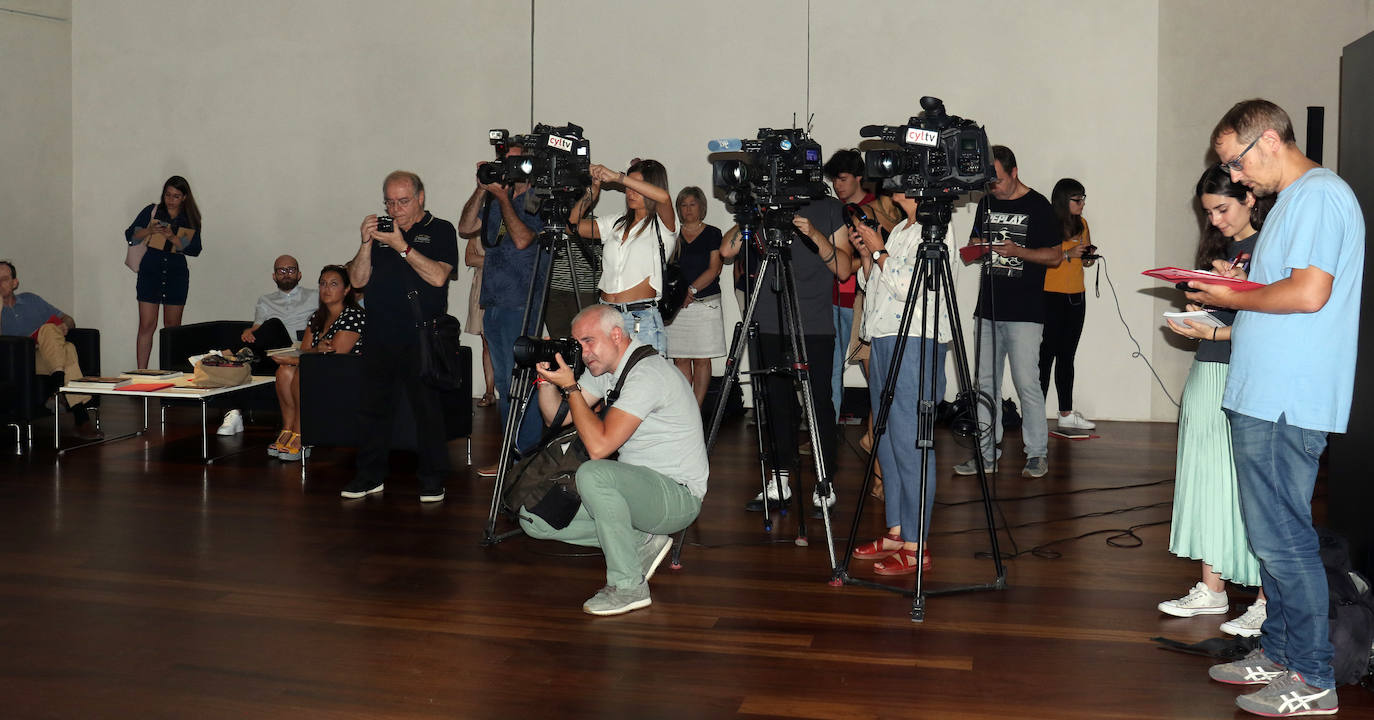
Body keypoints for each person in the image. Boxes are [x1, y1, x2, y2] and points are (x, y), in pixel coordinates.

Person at [1187, 99, 1363, 718]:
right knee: (1271, 537)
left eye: (1235, 162)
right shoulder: (1292, 202)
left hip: (1288, 397)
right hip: (1264, 392)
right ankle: (1283, 652)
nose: (1234, 177)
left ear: (1267, 140)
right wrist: (1231, 291)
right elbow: (1282, 292)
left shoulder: (1318, 195)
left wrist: (1235, 293)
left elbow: (1310, 293)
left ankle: (1313, 678)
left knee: (1284, 540)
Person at [520, 304, 708, 616]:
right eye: (577, 344)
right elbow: (556, 417)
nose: (583, 352)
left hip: (677, 497)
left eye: (589, 341)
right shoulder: (608, 371)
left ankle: (629, 586)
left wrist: (570, 387)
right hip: (637, 492)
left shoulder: (647, 375)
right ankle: (641, 540)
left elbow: (599, 447)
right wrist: (546, 381)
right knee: (534, 518)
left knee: (594, 473)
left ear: (617, 335)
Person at [1160, 166, 1269, 636]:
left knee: (1251, 489)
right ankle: (1212, 588)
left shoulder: (1270, 245)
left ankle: (1268, 598)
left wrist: (1221, 316)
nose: (1216, 221)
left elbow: (1271, 324)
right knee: (1205, 475)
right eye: (1208, 213)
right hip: (1208, 369)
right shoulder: (1222, 250)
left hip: (1245, 374)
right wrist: (1197, 311)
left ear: (1249, 197)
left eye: (1222, 209)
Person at [720, 195, 850, 515]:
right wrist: (755, 212)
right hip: (768, 320)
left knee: (818, 403)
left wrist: (815, 234)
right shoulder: (764, 206)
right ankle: (779, 481)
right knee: (775, 403)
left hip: (815, 324)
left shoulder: (829, 207)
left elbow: (845, 270)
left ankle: (824, 480)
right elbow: (726, 250)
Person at [341, 170, 458, 502]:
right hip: (379, 332)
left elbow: (438, 277)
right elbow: (358, 281)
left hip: (421, 334)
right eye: (389, 202)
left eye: (403, 201)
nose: (395, 210)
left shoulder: (440, 230)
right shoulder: (381, 232)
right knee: (372, 409)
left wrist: (402, 245)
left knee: (427, 411)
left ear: (420, 197)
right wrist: (366, 244)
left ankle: (433, 478)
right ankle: (369, 475)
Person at [848, 191, 948, 575]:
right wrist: (867, 253)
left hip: (916, 340)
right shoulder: (901, 230)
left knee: (911, 441)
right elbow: (876, 287)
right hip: (885, 339)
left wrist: (880, 251)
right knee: (886, 438)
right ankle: (897, 530)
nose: (894, 184)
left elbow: (916, 289)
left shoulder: (936, 229)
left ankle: (916, 543)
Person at [957, 146, 1062, 479]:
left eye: (998, 180)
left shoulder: (1039, 205)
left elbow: (1056, 256)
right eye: (989, 182)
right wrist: (975, 248)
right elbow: (975, 240)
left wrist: (1019, 252)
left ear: (1014, 172)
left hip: (1025, 313)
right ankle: (986, 454)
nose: (993, 188)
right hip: (987, 310)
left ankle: (1037, 453)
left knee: (1026, 384)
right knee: (984, 385)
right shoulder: (987, 202)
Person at [457, 145, 546, 475]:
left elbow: (523, 240)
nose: (506, 166)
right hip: (493, 300)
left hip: (522, 302)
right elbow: (465, 227)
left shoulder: (539, 198)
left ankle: (528, 455)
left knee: (523, 382)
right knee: (509, 386)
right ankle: (514, 455)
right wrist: (481, 190)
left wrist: (505, 199)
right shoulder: (495, 197)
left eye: (513, 160)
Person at [822, 149, 901, 420]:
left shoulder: (878, 208)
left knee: (874, 370)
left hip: (864, 298)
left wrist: (843, 263)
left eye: (842, 179)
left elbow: (876, 256)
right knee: (830, 368)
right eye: (834, 180)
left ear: (859, 178)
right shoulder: (834, 209)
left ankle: (877, 431)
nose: (837, 185)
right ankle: (826, 431)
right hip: (835, 297)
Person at [569, 159, 676, 355]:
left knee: (645, 381)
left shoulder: (662, 225)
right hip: (606, 316)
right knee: (606, 382)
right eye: (627, 187)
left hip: (640, 318)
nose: (630, 192)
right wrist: (591, 192)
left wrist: (619, 178)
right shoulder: (616, 222)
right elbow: (572, 226)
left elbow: (664, 198)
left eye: (635, 186)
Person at [215, 255, 320, 437]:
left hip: (296, 347)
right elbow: (257, 328)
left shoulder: (315, 296)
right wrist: (250, 332)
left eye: (291, 270)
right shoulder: (265, 300)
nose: (286, 274)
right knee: (249, 354)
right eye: (281, 270)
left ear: (299, 274)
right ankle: (234, 414)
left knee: (273, 323)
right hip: (269, 351)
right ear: (274, 276)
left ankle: (225, 354)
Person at [269, 265, 364, 461]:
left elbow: (335, 355)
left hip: (347, 375)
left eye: (333, 284)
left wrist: (300, 357)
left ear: (346, 290)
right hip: (320, 368)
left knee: (301, 371)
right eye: (322, 284)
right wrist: (301, 356)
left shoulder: (353, 315)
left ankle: (302, 434)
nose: (326, 289)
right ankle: (287, 428)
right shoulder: (317, 317)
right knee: (284, 371)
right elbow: (306, 351)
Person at [0, 260, 101, 439]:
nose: (0, 283)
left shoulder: (31, 300)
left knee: (56, 336)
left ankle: (62, 390)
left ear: (15, 283)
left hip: (46, 356)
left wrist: (64, 326)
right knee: (65, 347)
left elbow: (68, 319)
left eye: (4, 279)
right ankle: (74, 409)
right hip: (18, 362)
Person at [125, 176, 202, 370]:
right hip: (151, 271)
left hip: (176, 273)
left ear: (184, 197)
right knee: (146, 325)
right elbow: (130, 236)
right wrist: (148, 230)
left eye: (176, 196)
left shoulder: (189, 218)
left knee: (172, 327)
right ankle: (141, 372)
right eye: (168, 194)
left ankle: (172, 372)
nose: (170, 199)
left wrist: (172, 237)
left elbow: (194, 249)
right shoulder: (152, 211)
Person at [1039, 179, 1096, 432]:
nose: (1082, 204)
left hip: (1076, 296)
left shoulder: (1082, 224)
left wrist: (1088, 257)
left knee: (1067, 356)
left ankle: (1065, 412)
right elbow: (1041, 259)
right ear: (1064, 200)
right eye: (1077, 199)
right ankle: (1035, 414)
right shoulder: (1047, 224)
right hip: (1049, 296)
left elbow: (1085, 263)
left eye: (1083, 198)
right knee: (1044, 357)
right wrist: (1068, 254)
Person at [664, 187, 725, 406]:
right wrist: (678, 296)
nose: (688, 209)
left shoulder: (713, 233)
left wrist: (689, 292)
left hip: (704, 304)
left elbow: (714, 269)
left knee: (702, 359)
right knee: (680, 358)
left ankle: (696, 409)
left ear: (701, 206)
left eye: (692, 204)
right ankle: (685, 408)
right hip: (677, 307)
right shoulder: (671, 234)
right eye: (683, 205)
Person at [462, 237, 497, 408]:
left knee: (508, 341)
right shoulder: (477, 231)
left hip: (507, 290)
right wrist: (499, 261)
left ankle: (510, 392)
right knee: (487, 342)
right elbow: (469, 258)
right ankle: (489, 392)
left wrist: (484, 260)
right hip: (482, 288)